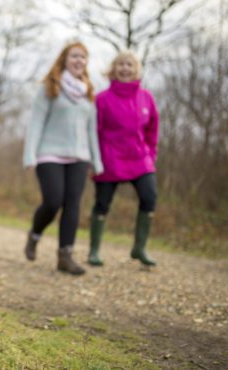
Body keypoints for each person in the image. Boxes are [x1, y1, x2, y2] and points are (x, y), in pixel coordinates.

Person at [23, 41, 103, 275]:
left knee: (73, 204)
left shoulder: (88, 91)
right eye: (74, 56)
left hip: (79, 156)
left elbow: (91, 130)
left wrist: (96, 160)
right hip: (49, 153)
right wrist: (30, 154)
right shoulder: (50, 87)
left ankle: (65, 256)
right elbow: (36, 122)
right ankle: (35, 234)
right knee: (53, 201)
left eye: (83, 57)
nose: (79, 60)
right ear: (64, 60)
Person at [88, 51, 159, 267]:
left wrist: (151, 155)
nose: (125, 68)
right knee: (102, 203)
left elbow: (152, 129)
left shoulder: (146, 97)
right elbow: (95, 131)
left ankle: (139, 248)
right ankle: (94, 251)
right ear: (113, 69)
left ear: (136, 69)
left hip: (139, 158)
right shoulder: (102, 99)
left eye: (129, 64)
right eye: (120, 64)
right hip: (110, 159)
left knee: (150, 197)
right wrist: (95, 160)